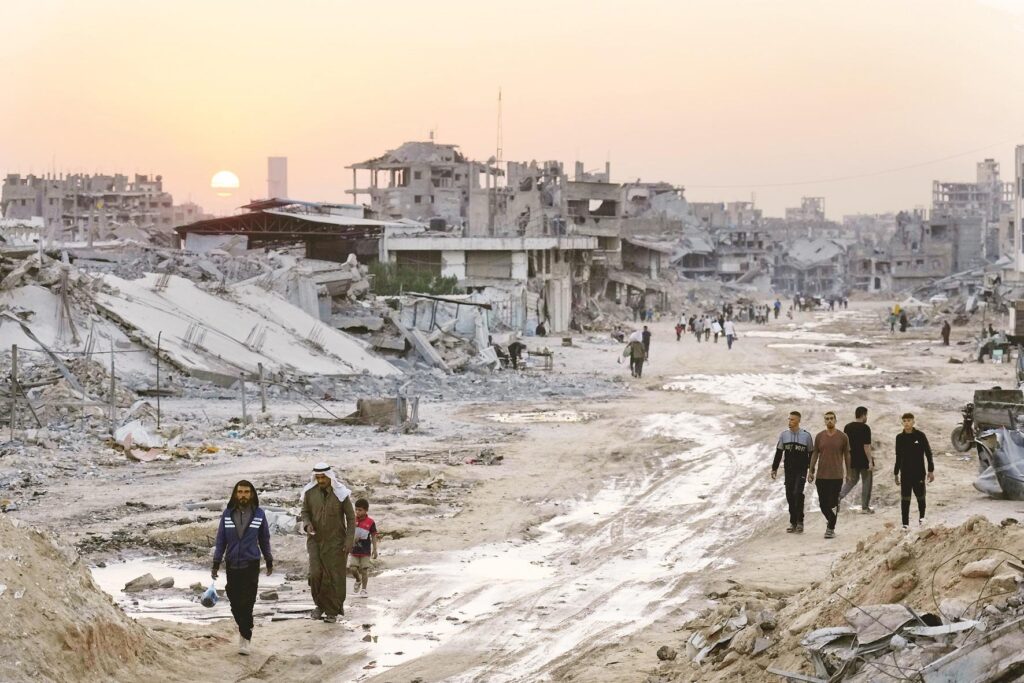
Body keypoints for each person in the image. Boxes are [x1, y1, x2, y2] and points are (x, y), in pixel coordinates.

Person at [212, 480, 273, 655]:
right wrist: (216, 563)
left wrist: (268, 560)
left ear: (252, 494)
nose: (243, 495)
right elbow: (220, 541)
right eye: (240, 492)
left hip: (251, 564)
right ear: (235, 494)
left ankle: (245, 637)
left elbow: (264, 540)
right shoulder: (227, 514)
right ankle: (245, 628)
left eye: (246, 492)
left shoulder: (259, 514)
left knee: (248, 602)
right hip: (232, 564)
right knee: (233, 599)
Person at [301, 463, 355, 623]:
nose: (321, 480)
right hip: (315, 540)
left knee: (334, 577)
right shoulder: (309, 493)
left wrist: (349, 540)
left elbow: (351, 518)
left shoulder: (341, 494)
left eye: (323, 477)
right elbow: (305, 512)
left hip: (336, 541)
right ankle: (319, 605)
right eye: (317, 477)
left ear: (329, 476)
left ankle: (332, 610)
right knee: (315, 573)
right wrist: (307, 524)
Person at [807, 411, 851, 539]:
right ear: (824, 421)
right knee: (822, 504)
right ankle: (831, 520)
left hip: (836, 475)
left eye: (832, 418)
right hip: (821, 475)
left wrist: (848, 473)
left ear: (835, 420)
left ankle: (831, 528)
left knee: (833, 503)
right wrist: (811, 470)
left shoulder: (843, 437)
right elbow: (815, 453)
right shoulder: (820, 436)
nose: (829, 421)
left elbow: (847, 455)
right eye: (827, 419)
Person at [771, 411, 814, 534]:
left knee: (797, 493)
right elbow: (779, 452)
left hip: (801, 470)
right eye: (789, 419)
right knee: (789, 495)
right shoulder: (784, 435)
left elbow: (812, 453)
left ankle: (800, 521)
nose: (790, 422)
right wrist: (774, 468)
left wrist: (811, 470)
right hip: (789, 470)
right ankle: (793, 521)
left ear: (798, 421)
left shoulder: (806, 436)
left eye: (792, 420)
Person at [894, 413, 934, 529]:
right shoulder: (899, 438)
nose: (907, 423)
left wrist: (930, 470)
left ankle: (922, 520)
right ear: (902, 422)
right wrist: (896, 473)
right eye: (905, 421)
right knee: (905, 499)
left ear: (913, 422)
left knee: (921, 497)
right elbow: (898, 456)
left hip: (919, 473)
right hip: (905, 474)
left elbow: (928, 453)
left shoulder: (920, 436)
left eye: (909, 420)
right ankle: (905, 524)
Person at [840, 407, 874, 513]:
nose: (866, 417)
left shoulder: (847, 427)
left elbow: (845, 445)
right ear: (863, 415)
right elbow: (866, 446)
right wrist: (870, 461)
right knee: (867, 482)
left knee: (852, 481)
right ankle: (865, 507)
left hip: (852, 459)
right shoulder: (865, 428)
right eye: (866, 415)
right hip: (863, 459)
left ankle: (837, 498)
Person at [348, 498, 379, 597]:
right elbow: (348, 533)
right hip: (354, 549)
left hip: (365, 550)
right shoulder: (352, 520)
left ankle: (364, 590)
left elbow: (374, 535)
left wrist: (375, 549)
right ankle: (358, 580)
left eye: (360, 510)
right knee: (353, 568)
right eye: (356, 509)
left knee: (364, 570)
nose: (357, 512)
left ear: (366, 510)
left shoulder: (370, 522)